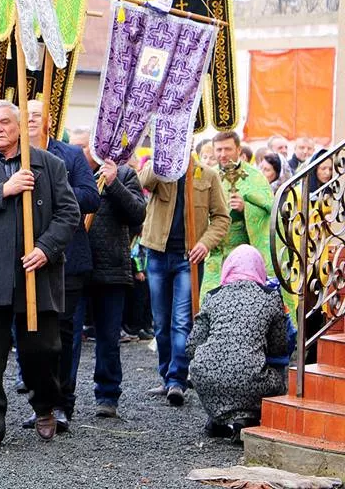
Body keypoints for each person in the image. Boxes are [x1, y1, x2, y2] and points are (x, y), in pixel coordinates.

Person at [0, 100, 80, 449]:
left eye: (4, 122)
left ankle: (44, 406)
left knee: (43, 349)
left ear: (20, 125)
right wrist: (2, 189)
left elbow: (69, 213)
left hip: (33, 271)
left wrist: (46, 248)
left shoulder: (48, 164)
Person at [26, 109, 100, 431]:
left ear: (48, 120)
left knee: (64, 335)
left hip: (67, 257)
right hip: (27, 257)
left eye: (35, 115)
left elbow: (91, 197)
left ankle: (62, 404)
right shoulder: (9, 158)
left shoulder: (69, 155)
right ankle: (40, 402)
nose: (29, 119)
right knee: (31, 335)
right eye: (24, 114)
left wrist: (55, 188)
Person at [138, 151, 230, 406]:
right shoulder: (160, 167)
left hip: (187, 259)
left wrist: (205, 243)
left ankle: (177, 380)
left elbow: (222, 217)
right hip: (156, 254)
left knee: (181, 321)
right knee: (160, 322)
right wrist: (162, 155)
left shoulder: (207, 175)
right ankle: (167, 376)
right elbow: (142, 182)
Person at [71, 132, 147, 418]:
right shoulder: (65, 171)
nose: (78, 152)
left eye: (83, 147)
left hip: (111, 266)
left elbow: (138, 214)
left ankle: (107, 393)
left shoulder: (124, 174)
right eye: (75, 147)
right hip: (75, 264)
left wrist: (114, 184)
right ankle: (64, 397)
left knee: (107, 337)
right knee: (70, 336)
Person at [187, 245, 290, 441]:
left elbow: (191, 346)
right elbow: (280, 347)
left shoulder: (213, 296)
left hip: (206, 378)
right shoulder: (270, 297)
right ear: (259, 268)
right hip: (253, 379)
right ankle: (249, 417)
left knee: (215, 370)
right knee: (277, 373)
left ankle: (216, 419)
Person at [201, 131, 275, 301]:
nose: (223, 154)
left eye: (228, 149)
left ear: (238, 149)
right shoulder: (207, 175)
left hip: (243, 255)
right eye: (218, 150)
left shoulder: (255, 177)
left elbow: (270, 211)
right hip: (214, 253)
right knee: (209, 301)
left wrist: (246, 208)